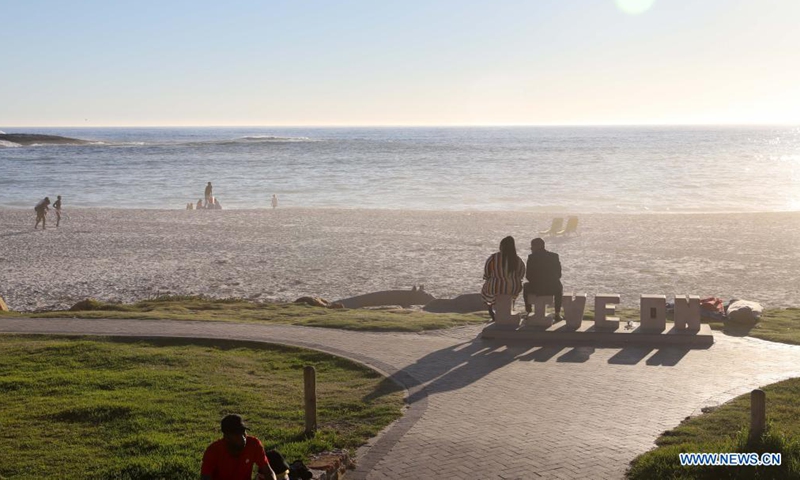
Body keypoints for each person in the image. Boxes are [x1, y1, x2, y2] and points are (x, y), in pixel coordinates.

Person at [201, 414, 276, 480]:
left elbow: (268, 471)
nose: (243, 437)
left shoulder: (254, 444)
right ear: (226, 437)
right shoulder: (213, 450)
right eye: (237, 434)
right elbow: (205, 476)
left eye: (243, 432)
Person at [481, 236, 526, 322]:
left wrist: (489, 279)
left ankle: (492, 313)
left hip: (496, 287)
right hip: (513, 288)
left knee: (485, 291)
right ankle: (511, 307)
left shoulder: (494, 258)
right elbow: (521, 274)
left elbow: (487, 273)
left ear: (501, 246)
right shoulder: (517, 259)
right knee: (512, 293)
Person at [523, 237, 564, 320]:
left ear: (536, 247)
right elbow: (559, 274)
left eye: (532, 247)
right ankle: (557, 313)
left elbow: (528, 276)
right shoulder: (554, 256)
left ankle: (528, 311)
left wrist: (536, 282)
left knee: (525, 287)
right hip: (552, 287)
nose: (531, 249)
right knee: (559, 287)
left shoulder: (531, 257)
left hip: (536, 288)